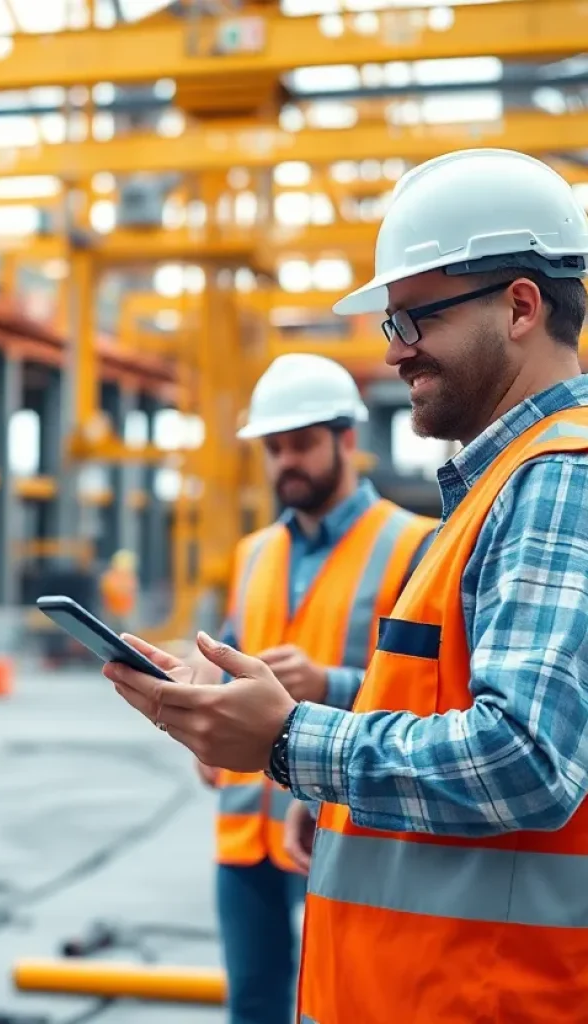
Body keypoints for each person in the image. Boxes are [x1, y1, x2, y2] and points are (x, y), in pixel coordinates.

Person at [105, 148, 588, 1023]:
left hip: (486, 996)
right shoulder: (499, 488)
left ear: (521, 306)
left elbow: (523, 759)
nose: (395, 351)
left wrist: (292, 741)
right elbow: (447, 700)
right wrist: (343, 794)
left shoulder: (559, 478)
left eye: (415, 318)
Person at [199, 353, 436, 1024]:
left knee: (351, 1007)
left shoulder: (414, 546)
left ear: (347, 439)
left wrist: (328, 683)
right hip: (244, 830)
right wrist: (201, 705)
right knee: (253, 1006)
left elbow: (433, 696)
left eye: (301, 444)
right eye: (274, 449)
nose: (286, 463)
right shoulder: (253, 554)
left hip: (344, 824)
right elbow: (230, 660)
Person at [100, 548, 139, 634]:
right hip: (112, 614)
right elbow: (108, 594)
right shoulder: (110, 578)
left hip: (126, 614)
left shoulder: (130, 578)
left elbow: (132, 596)